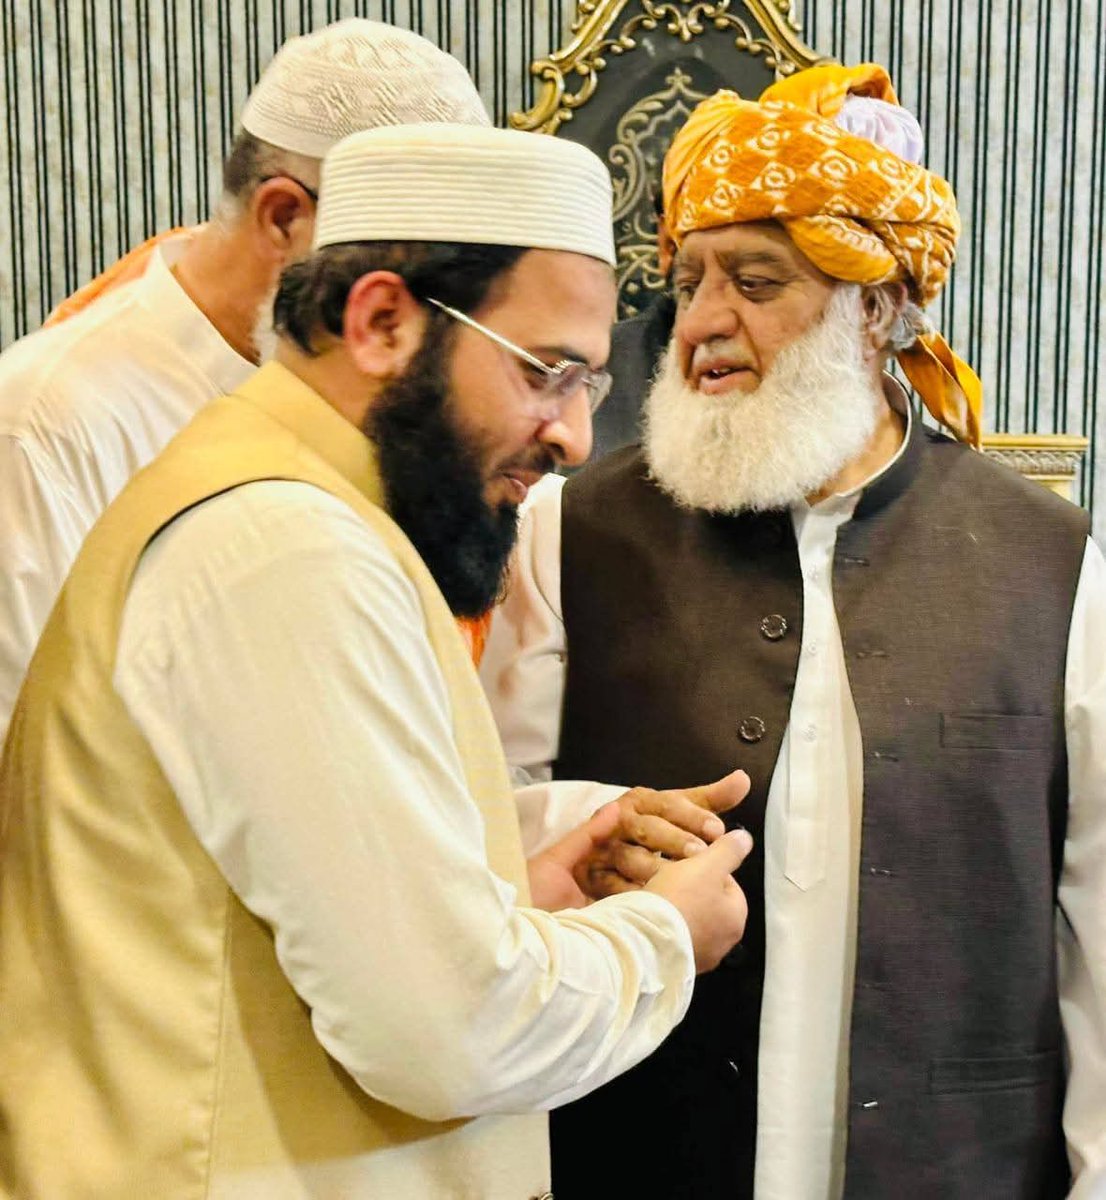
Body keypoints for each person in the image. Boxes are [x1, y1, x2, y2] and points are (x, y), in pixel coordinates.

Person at [0, 121, 757, 1199]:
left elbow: (262, 876)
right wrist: (665, 935)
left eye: (588, 385)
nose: (575, 439)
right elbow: (450, 1035)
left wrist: (523, 869)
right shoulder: (287, 545)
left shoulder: (311, 510)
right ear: (382, 322)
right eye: (546, 372)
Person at [480, 64, 1106, 1198]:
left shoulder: (1049, 561)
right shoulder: (570, 534)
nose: (701, 321)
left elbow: (1096, 924)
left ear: (879, 306)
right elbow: (484, 835)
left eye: (756, 280)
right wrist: (591, 827)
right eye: (688, 280)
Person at [0, 18, 494, 745]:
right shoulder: (46, 422)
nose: (436, 309)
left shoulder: (383, 396)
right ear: (286, 217)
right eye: (422, 264)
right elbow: (33, 764)